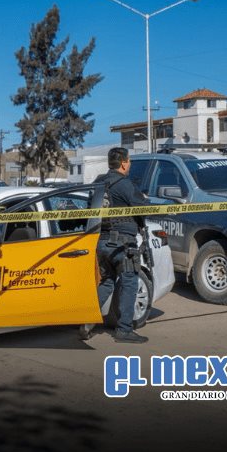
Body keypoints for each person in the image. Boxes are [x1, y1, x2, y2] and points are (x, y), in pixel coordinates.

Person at [79, 147, 150, 343]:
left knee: (106, 282)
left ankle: (86, 322)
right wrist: (147, 200)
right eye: (129, 162)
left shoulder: (99, 183)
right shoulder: (125, 184)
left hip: (101, 242)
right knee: (129, 283)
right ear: (124, 163)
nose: (130, 165)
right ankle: (124, 329)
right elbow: (143, 207)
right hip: (123, 244)